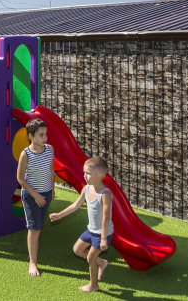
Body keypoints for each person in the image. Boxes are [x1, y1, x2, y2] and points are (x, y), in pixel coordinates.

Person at [49, 156, 114, 293]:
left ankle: (94, 285)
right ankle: (102, 263)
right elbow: (75, 205)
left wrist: (103, 239)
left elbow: (106, 217)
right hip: (91, 230)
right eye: (84, 172)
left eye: (88, 173)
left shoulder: (105, 194)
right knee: (77, 250)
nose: (84, 175)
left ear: (100, 175)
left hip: (102, 233)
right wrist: (60, 215)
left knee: (91, 258)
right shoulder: (86, 189)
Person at [16, 118, 55, 277]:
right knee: (34, 228)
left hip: (46, 193)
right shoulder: (26, 154)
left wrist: (51, 189)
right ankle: (33, 262)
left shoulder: (49, 149)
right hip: (32, 196)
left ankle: (32, 253)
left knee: (39, 226)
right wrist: (36, 195)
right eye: (41, 135)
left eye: (45, 134)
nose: (45, 138)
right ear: (31, 136)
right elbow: (20, 179)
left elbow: (51, 170)